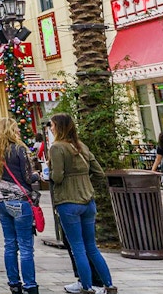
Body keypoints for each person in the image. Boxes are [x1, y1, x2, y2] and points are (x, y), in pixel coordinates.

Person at [49, 113, 114, 294]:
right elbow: (99, 172)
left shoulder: (57, 148)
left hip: (68, 201)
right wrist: (84, 180)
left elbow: (57, 177)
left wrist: (48, 174)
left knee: (77, 247)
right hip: (88, 200)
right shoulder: (81, 146)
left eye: (52, 125)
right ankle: (108, 284)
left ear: (59, 127)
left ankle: (86, 286)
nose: (51, 128)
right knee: (91, 246)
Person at [0, 118, 40, 294]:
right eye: (16, 128)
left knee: (10, 244)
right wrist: (37, 176)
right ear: (10, 131)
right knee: (25, 246)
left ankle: (14, 284)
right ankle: (30, 286)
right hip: (19, 201)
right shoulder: (19, 150)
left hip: (1, 201)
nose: (18, 131)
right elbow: (27, 177)